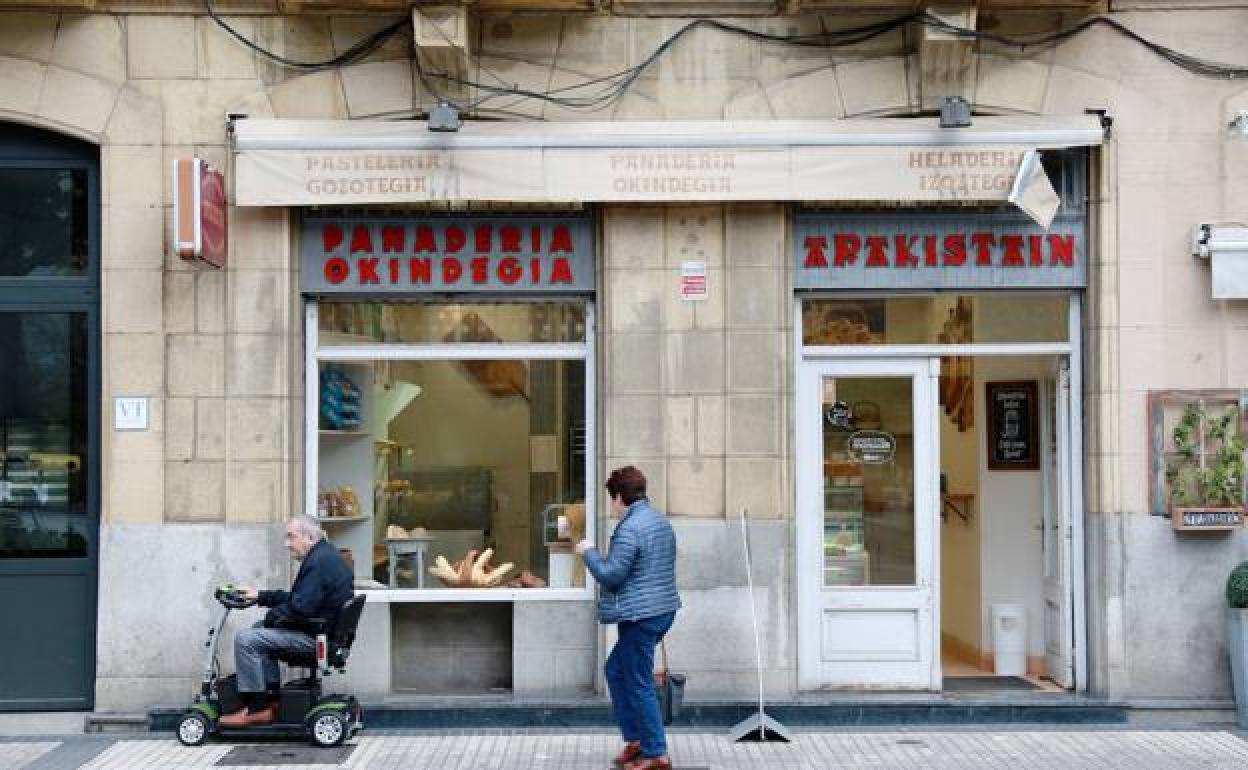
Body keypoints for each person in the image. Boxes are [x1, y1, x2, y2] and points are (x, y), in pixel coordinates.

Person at [576, 466, 680, 770]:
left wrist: (588, 552)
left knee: (638, 681)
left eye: (612, 499)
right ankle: (637, 739)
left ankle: (655, 752)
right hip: (659, 611)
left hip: (641, 616)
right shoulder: (659, 521)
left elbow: (611, 575)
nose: (612, 506)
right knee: (617, 671)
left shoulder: (630, 528)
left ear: (619, 497)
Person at [219, 514, 354, 727]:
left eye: (291, 537)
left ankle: (258, 709)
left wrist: (272, 617)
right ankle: (271, 699)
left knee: (246, 639)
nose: (287, 544)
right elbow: (298, 599)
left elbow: (300, 608)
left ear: (309, 537)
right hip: (323, 633)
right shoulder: (325, 555)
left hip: (317, 638)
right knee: (259, 630)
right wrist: (260, 596)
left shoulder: (318, 563)